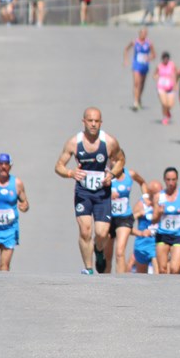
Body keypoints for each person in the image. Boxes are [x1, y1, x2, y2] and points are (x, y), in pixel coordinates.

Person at [54, 106, 125, 274]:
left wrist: (112, 174)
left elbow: (121, 160)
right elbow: (59, 166)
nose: (93, 124)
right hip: (83, 192)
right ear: (83, 122)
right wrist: (70, 173)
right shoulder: (74, 143)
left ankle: (99, 250)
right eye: (90, 121)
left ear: (101, 123)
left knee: (102, 233)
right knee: (85, 230)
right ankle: (88, 268)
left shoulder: (109, 142)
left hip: (102, 193)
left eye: (96, 121)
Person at [104, 161, 148, 274]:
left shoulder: (130, 174)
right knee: (107, 255)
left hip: (124, 217)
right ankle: (104, 280)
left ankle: (121, 281)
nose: (114, 163)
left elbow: (142, 182)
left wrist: (145, 197)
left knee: (120, 252)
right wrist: (107, 194)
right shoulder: (105, 175)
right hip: (108, 218)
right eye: (112, 160)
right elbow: (94, 191)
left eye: (117, 160)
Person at [130, 180, 161, 274]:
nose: (159, 195)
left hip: (156, 243)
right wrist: (139, 214)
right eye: (156, 193)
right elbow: (126, 224)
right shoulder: (141, 204)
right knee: (141, 275)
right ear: (150, 193)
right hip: (142, 243)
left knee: (158, 271)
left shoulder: (164, 203)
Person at [123, 28, 155, 111]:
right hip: (136, 65)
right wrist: (126, 60)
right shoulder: (135, 42)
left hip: (144, 65)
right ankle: (136, 101)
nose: (144, 35)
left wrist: (149, 58)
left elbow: (154, 55)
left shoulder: (149, 43)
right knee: (136, 83)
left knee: (142, 84)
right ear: (139, 33)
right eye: (142, 33)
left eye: (145, 33)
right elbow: (126, 49)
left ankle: (139, 97)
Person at [155, 52, 178, 126]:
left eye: (167, 59)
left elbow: (177, 73)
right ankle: (165, 117)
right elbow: (155, 74)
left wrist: (176, 83)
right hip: (161, 87)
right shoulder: (159, 66)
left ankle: (167, 112)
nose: (166, 60)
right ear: (162, 59)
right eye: (164, 59)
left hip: (170, 87)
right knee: (164, 103)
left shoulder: (172, 65)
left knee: (170, 104)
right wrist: (156, 77)